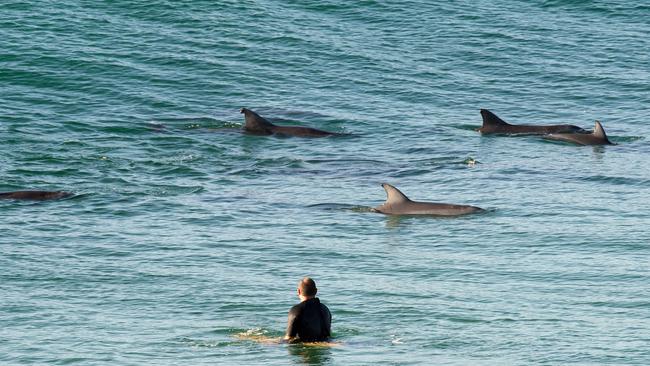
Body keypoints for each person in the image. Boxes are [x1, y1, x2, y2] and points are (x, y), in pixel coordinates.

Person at [284, 277, 332, 343]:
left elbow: (288, 339)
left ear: (298, 291)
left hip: (306, 347)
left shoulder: (296, 310)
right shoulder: (325, 309)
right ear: (316, 291)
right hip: (326, 347)